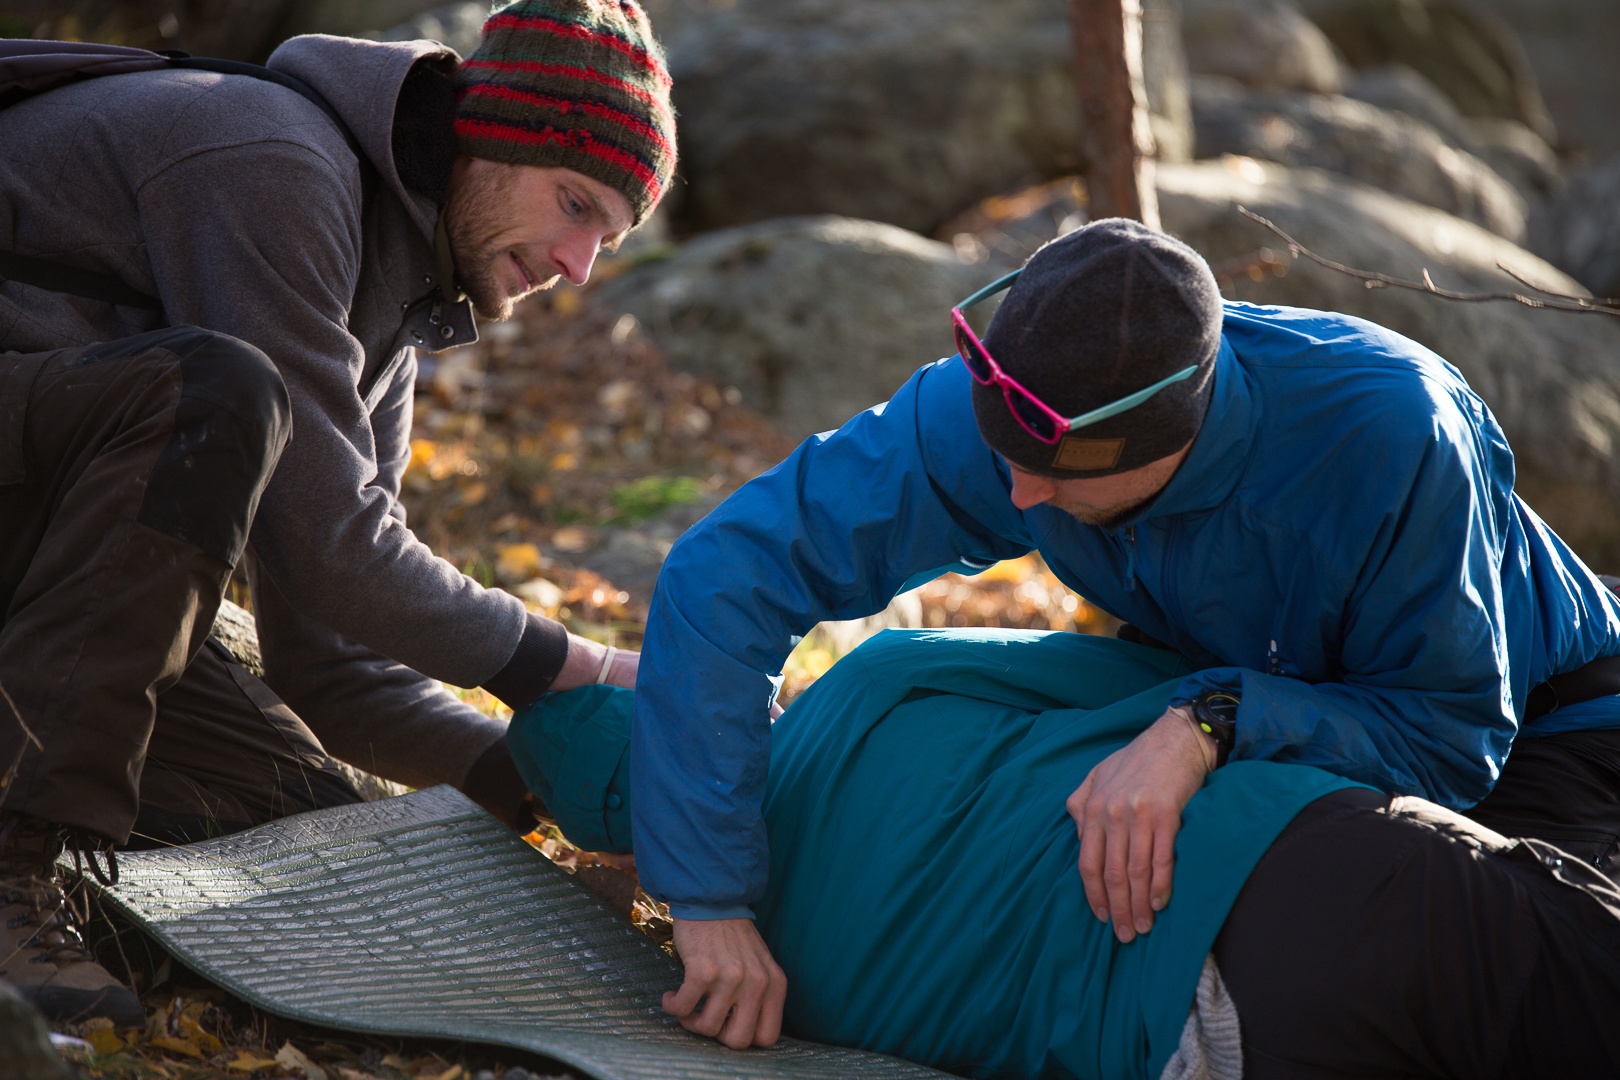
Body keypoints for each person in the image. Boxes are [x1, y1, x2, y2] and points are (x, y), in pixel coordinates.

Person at [619, 218, 1620, 1048]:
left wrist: (1209, 720)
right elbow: (731, 572)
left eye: (1053, 476)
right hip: (1232, 685)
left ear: (1170, 437)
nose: (1015, 493)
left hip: (1539, 735)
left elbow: (1448, 737)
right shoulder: (1022, 411)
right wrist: (708, 902)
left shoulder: (1393, 435)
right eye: (1001, 454)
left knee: (1502, 1001)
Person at [0, 0, 674, 1025]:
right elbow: (334, 548)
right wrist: (572, 666)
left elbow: (336, 662)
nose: (578, 266)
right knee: (215, 392)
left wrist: (541, 778)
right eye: (576, 205)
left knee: (298, 831)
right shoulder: (271, 158)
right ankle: (12, 869)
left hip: (32, 534)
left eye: (608, 242)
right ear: (489, 141)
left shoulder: (393, 310)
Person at [510, 628, 1620, 1078]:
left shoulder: (778, 990)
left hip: (1211, 1052)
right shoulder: (880, 679)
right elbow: (1152, 681)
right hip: (1309, 881)